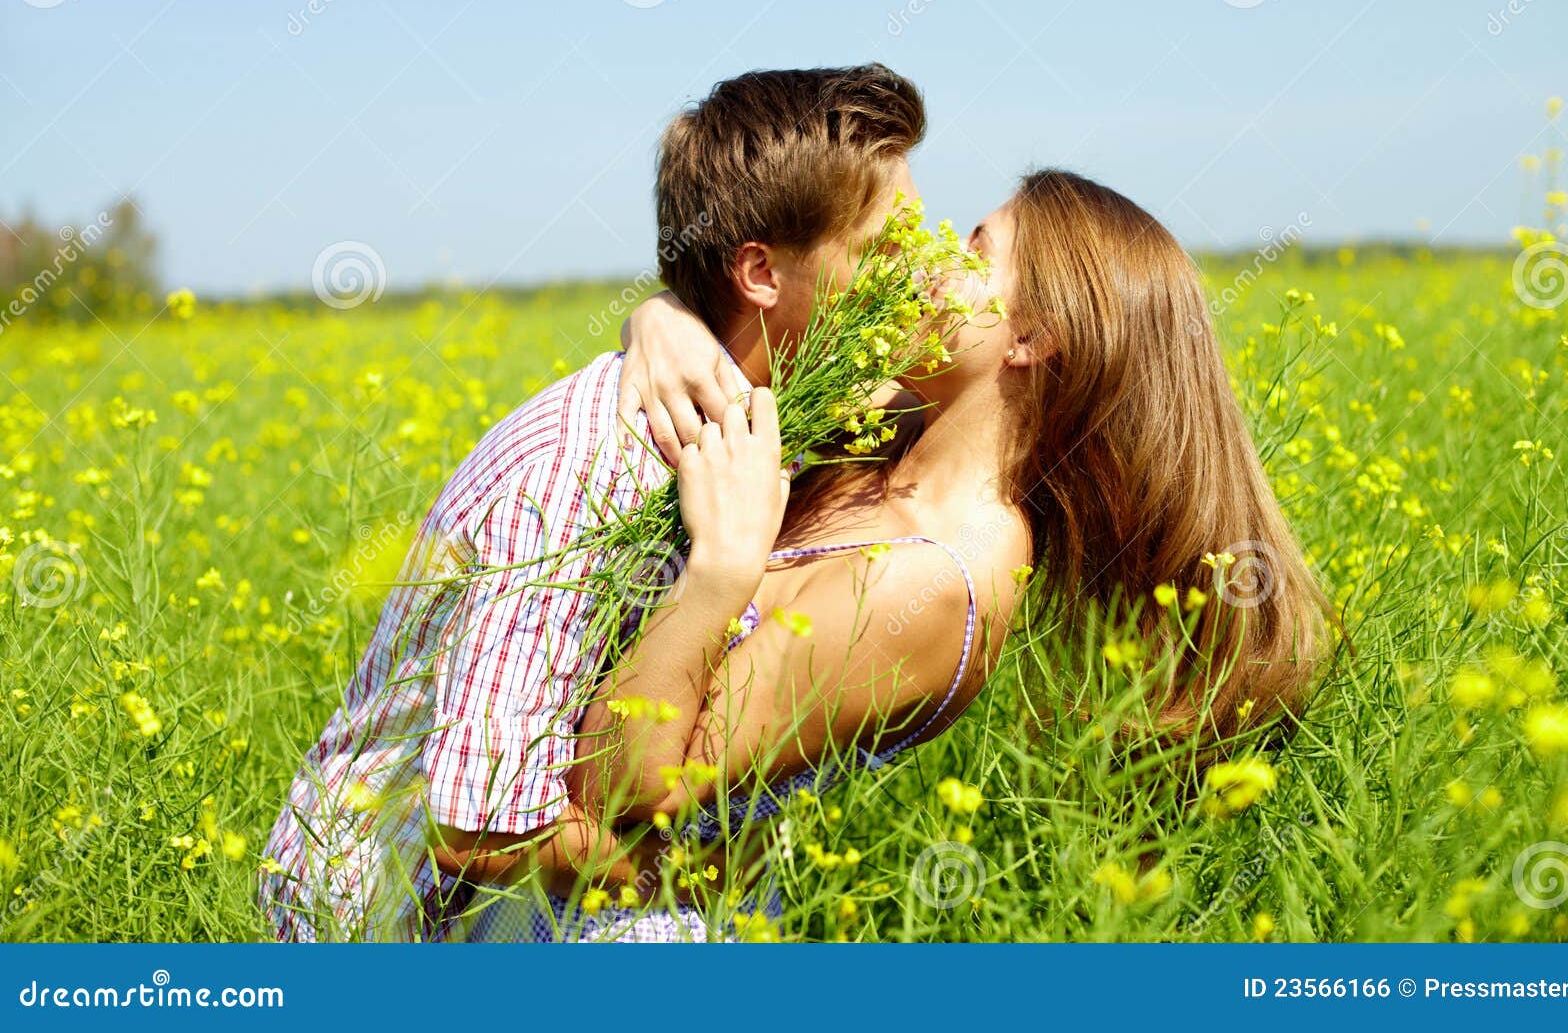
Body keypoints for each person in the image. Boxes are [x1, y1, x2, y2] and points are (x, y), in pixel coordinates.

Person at [464, 168, 1333, 941]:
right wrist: (661, 320)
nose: (920, 262)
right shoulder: (890, 435)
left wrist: (718, 578)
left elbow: (622, 783)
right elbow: (742, 333)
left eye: (969, 248)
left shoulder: (934, 579)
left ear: (1027, 335)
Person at [256, 62, 928, 942]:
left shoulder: (789, 409)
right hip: (398, 915)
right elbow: (479, 826)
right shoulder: (585, 467)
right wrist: (706, 876)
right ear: (760, 271)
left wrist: (664, 313)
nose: (918, 278)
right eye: (884, 252)